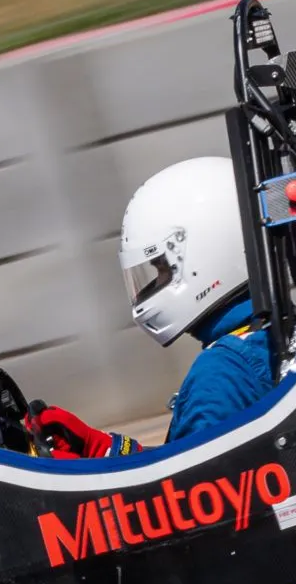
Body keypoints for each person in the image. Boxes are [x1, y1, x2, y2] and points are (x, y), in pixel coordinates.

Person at [35, 157, 276, 458]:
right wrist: (104, 452)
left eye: (162, 268)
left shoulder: (221, 375)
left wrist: (77, 480)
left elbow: (190, 494)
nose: (156, 282)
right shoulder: (268, 336)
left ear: (203, 254)